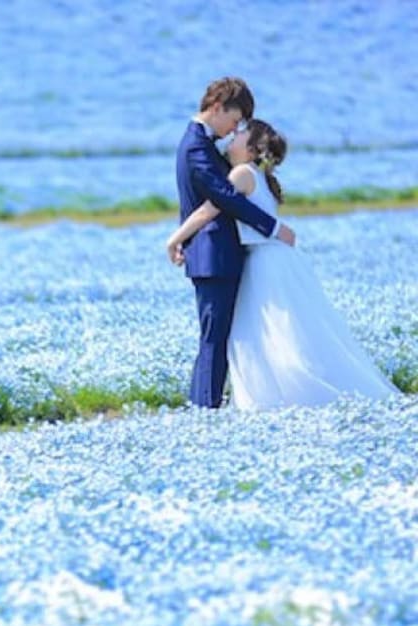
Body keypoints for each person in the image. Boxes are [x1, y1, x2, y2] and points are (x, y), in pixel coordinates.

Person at [167, 119, 397, 410]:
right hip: (272, 256)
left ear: (253, 148)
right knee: (281, 328)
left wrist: (173, 239)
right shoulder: (259, 176)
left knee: (270, 330)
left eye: (240, 134)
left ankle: (282, 394)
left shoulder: (241, 174)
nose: (232, 137)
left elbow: (207, 211)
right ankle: (278, 393)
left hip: (264, 260)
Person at [175, 77, 296, 408]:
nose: (233, 130)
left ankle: (205, 406)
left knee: (221, 336)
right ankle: (204, 408)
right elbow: (223, 197)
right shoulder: (196, 146)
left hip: (220, 254)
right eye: (234, 120)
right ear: (216, 107)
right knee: (215, 338)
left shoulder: (204, 144)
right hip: (213, 255)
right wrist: (273, 227)